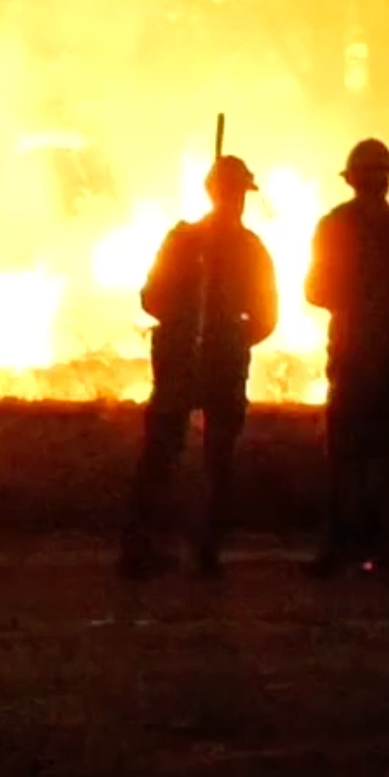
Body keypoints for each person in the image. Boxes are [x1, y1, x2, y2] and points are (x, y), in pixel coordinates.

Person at [120, 155, 281, 580]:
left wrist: (231, 335)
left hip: (213, 360)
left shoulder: (237, 248)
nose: (234, 201)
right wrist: (191, 313)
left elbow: (265, 315)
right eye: (232, 192)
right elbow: (153, 297)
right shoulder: (192, 242)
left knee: (206, 457)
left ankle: (196, 547)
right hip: (185, 358)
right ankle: (150, 547)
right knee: (172, 455)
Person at [303, 138, 389, 578]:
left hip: (354, 355)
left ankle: (343, 548)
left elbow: (315, 291)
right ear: (388, 180)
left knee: (347, 458)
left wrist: (354, 296)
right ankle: (388, 550)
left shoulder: (334, 226)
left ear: (352, 180)